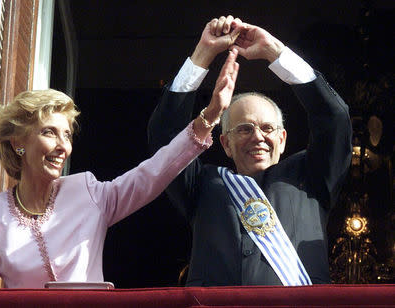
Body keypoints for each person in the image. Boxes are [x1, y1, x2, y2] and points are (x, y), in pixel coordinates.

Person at [0, 80, 239, 288]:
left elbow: (152, 174)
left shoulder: (86, 192)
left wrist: (209, 117)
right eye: (49, 132)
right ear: (18, 143)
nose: (63, 146)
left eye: (67, 135)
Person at [148, 16, 352, 286]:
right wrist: (203, 54)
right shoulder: (201, 185)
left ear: (282, 138)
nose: (258, 137)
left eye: (267, 128)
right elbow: (166, 137)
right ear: (225, 143)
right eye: (244, 129)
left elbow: (333, 118)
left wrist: (274, 52)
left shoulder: (312, 177)